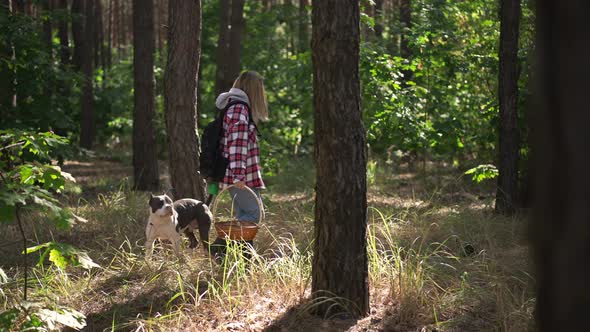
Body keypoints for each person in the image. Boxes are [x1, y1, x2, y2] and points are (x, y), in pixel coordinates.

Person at [210, 71, 268, 259]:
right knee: (253, 214)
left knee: (245, 214)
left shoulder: (234, 107)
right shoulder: (239, 110)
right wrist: (238, 176)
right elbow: (237, 145)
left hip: (241, 174)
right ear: (253, 90)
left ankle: (241, 259)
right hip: (240, 175)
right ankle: (220, 248)